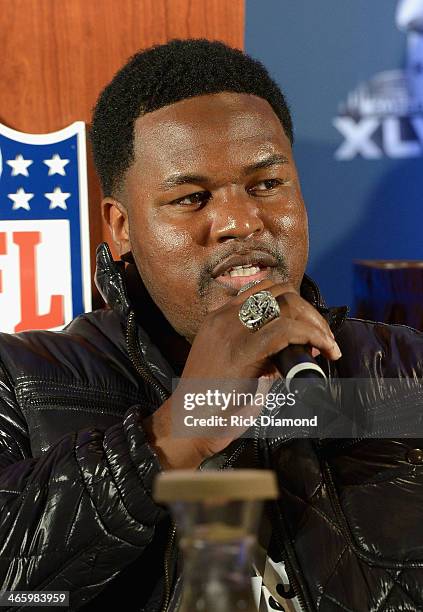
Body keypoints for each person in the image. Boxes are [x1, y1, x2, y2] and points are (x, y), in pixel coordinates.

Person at [0, 39, 422, 612]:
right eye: (193, 198)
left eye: (266, 185)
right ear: (121, 227)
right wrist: (176, 433)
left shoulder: (403, 367)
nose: (242, 221)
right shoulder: (24, 382)